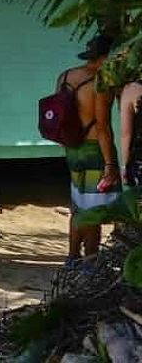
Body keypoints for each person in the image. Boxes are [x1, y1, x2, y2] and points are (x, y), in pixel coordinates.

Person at [56, 34, 119, 266]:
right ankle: (90, 262)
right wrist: (110, 164)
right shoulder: (99, 82)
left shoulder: (65, 76)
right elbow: (102, 127)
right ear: (104, 57)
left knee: (78, 206)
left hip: (72, 149)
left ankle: (72, 258)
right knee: (94, 209)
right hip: (95, 150)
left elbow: (59, 117)